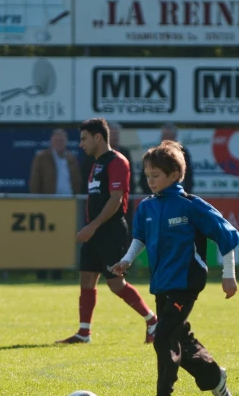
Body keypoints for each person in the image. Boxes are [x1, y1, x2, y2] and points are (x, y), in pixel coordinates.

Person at [110, 140, 239, 396]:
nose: (150, 180)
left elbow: (227, 236)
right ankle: (213, 376)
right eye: (147, 175)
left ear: (173, 175)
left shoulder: (191, 205)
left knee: (163, 337)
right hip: (162, 283)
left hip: (186, 282)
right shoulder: (146, 207)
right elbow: (140, 238)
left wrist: (228, 274)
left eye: (155, 175)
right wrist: (126, 260)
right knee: (179, 340)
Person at [56, 118, 158, 345]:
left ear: (98, 137)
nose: (81, 144)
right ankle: (84, 332)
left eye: (84, 139)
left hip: (111, 230)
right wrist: (92, 227)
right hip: (95, 231)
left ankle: (152, 321)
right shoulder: (96, 164)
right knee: (87, 278)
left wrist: (92, 225)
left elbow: (116, 200)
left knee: (115, 283)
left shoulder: (117, 161)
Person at [29, 128, 83, 281]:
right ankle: (41, 272)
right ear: (51, 141)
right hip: (48, 205)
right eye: (56, 140)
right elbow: (35, 182)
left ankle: (58, 272)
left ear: (66, 142)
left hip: (68, 205)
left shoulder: (71, 158)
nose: (59, 143)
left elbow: (77, 180)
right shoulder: (42, 158)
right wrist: (38, 203)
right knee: (44, 240)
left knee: (63, 239)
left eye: (62, 140)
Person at [140, 123, 194, 195]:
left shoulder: (183, 152)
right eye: (164, 136)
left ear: (175, 137)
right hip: (156, 195)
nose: (166, 140)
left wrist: (187, 193)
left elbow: (188, 175)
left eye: (169, 137)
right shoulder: (154, 153)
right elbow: (144, 175)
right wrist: (149, 194)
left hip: (178, 195)